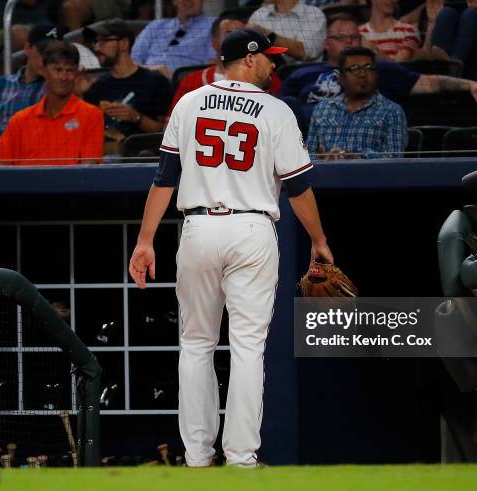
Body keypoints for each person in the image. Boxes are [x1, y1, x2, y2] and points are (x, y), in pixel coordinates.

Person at [128, 29, 333, 467]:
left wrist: (145, 240)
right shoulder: (275, 110)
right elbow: (297, 187)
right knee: (247, 347)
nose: (275, 66)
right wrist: (318, 240)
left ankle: (198, 457)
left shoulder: (189, 101)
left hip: (198, 227)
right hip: (251, 229)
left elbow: (164, 178)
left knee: (196, 344)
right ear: (249, 59)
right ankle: (241, 458)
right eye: (269, 59)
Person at [281, 14, 477, 134]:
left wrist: (469, 84)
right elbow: (278, 109)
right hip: (309, 137)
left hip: (360, 130)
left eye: (354, 38)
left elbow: (429, 83)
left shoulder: (378, 68)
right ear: (326, 44)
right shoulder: (302, 73)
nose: (349, 42)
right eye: (341, 38)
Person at [0, 41, 104, 166]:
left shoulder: (91, 116)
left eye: (69, 71)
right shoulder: (19, 121)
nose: (63, 77)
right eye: (58, 70)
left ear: (76, 74)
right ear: (44, 71)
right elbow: (0, 168)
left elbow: (88, 171)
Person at [168, 12, 282, 114]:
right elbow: (171, 128)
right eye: (230, 34)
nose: (237, 40)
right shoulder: (191, 82)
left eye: (241, 34)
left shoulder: (268, 77)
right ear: (214, 42)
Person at [307, 47, 407, 159]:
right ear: (341, 78)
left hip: (368, 176)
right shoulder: (322, 109)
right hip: (325, 174)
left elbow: (394, 159)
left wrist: (356, 159)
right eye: (354, 68)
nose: (362, 74)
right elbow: (308, 154)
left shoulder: (392, 112)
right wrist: (322, 159)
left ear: (376, 74)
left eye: (368, 68)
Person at [83, 19, 173, 142]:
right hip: (105, 155)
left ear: (124, 44)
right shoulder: (96, 87)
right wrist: (78, 95)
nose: (97, 47)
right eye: (95, 42)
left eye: (104, 40)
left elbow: (166, 133)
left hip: (144, 155)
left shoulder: (155, 83)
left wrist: (136, 117)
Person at [0, 23, 62, 132]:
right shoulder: (1, 84)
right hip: (1, 145)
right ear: (27, 48)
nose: (47, 59)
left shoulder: (59, 87)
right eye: (42, 52)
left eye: (54, 54)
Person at [130, 0, 216, 78]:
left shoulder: (214, 26)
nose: (189, 1)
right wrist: (151, 69)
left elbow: (212, 67)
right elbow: (132, 61)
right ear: (174, 1)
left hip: (182, 84)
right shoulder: (156, 26)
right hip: (145, 79)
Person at [248, 0, 327, 61]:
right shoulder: (259, 13)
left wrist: (268, 36)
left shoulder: (313, 14)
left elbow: (303, 52)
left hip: (299, 76)